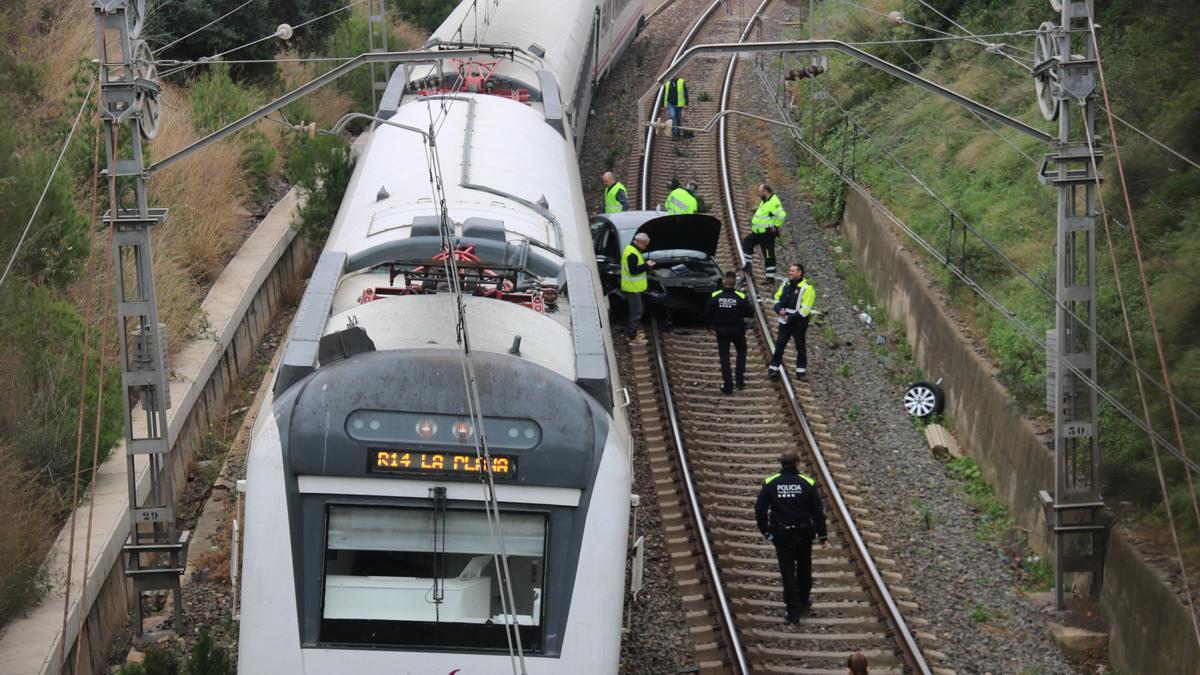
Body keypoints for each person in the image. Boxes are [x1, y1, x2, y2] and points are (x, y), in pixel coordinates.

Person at [755, 451, 828, 623]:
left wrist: (766, 531)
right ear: (797, 463)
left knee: (787, 571)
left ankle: (792, 611)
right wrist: (822, 535)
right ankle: (803, 601)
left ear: (781, 464)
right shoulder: (808, 483)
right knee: (804, 567)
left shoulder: (770, 483)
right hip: (804, 533)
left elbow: (760, 510)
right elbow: (818, 512)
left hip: (781, 535)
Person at [704, 271, 753, 394]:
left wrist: (709, 327)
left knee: (724, 358)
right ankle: (740, 381)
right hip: (738, 330)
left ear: (724, 282)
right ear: (734, 283)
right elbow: (750, 312)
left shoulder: (715, 295)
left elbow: (707, 313)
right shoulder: (740, 296)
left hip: (722, 331)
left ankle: (728, 386)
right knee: (741, 352)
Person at [768, 263, 815, 380]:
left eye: (792, 271)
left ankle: (801, 372)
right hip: (784, 321)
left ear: (799, 273)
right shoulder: (785, 284)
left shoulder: (807, 288)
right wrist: (778, 310)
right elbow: (776, 299)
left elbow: (805, 310)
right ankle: (773, 369)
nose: (789, 272)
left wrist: (790, 317)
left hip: (798, 323)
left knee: (800, 347)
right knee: (780, 345)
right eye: (789, 270)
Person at [741, 183, 787, 280]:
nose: (759, 194)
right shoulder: (765, 200)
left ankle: (770, 277)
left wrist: (776, 225)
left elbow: (782, 215)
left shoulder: (774, 202)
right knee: (747, 241)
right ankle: (748, 265)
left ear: (766, 192)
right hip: (759, 232)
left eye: (760, 192)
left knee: (768, 254)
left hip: (767, 234)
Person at [622, 232, 655, 344]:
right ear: (640, 242)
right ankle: (632, 337)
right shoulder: (632, 253)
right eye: (645, 245)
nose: (645, 248)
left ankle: (633, 334)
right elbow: (633, 270)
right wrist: (647, 265)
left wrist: (646, 265)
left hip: (633, 288)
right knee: (636, 313)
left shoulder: (631, 249)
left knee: (636, 312)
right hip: (633, 288)